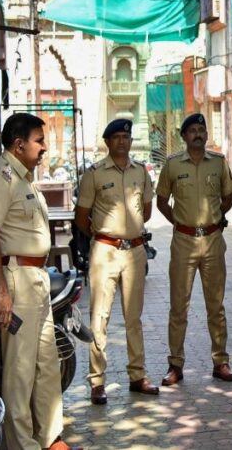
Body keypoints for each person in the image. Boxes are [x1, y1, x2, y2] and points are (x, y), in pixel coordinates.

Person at [0, 113, 80, 450]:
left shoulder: (26, 178)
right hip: (16, 280)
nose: (44, 148)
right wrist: (2, 292)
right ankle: (22, 444)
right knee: (20, 370)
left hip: (36, 279)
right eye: (39, 141)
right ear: (19, 145)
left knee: (46, 364)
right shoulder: (1, 177)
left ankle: (50, 438)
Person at [74, 119, 158, 405]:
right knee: (100, 317)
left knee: (134, 318)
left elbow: (145, 211)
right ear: (107, 142)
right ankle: (97, 382)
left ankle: (138, 376)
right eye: (117, 137)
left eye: (126, 136)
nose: (122, 141)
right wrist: (104, 237)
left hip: (135, 251)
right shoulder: (94, 174)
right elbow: (81, 217)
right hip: (105, 251)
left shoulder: (140, 171)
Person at [155, 113, 232, 385]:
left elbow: (227, 198)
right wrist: (181, 223)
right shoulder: (172, 165)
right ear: (184, 136)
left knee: (217, 306)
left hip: (213, 241)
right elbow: (162, 201)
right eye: (192, 130)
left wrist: (213, 219)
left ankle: (221, 362)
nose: (198, 134)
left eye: (201, 129)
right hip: (183, 243)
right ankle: (175, 364)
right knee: (179, 307)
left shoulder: (219, 163)